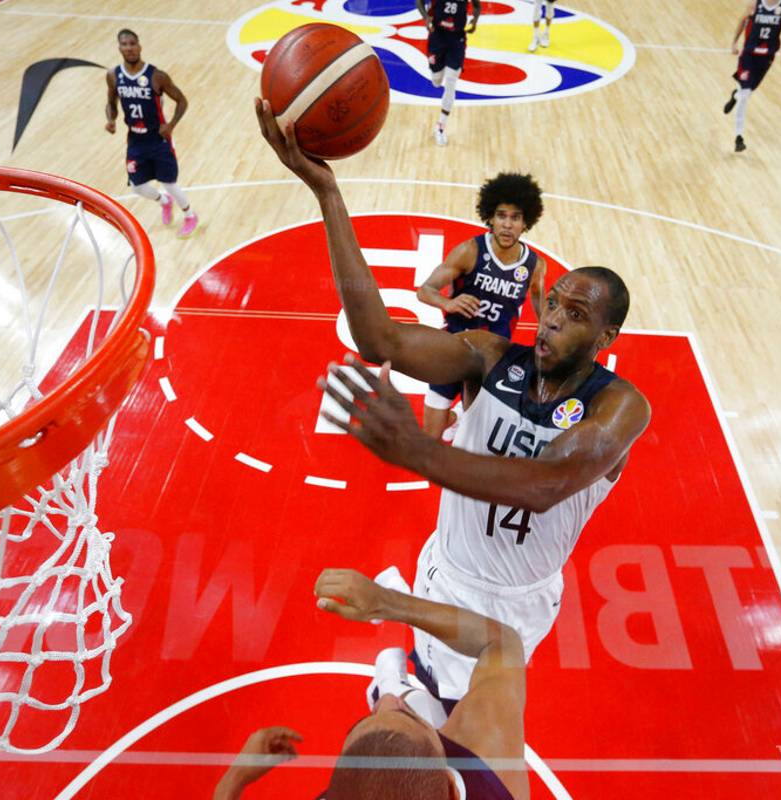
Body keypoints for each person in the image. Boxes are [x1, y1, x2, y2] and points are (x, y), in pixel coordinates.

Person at [256, 98, 651, 705]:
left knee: (451, 732)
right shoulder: (489, 357)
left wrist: (415, 449)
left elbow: (544, 485)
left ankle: (398, 681)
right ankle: (403, 677)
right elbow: (377, 338)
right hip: (446, 567)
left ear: (605, 339)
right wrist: (329, 196)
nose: (551, 322)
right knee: (427, 721)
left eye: (574, 316)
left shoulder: (620, 406)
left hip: (516, 604)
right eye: (552, 305)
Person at [213, 568, 528, 800]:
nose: (390, 703)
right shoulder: (491, 770)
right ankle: (398, 692)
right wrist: (388, 602)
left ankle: (393, 691)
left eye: (368, 718)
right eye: (402, 714)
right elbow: (502, 644)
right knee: (418, 700)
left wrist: (236, 777)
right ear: (449, 786)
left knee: (406, 701)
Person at [416, 172, 547, 439]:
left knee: (477, 440)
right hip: (453, 349)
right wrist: (448, 302)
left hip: (492, 359)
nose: (507, 225)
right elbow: (424, 291)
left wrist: (548, 332)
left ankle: (466, 418)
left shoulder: (534, 266)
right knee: (429, 436)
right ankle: (454, 418)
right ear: (490, 217)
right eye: (501, 216)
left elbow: (538, 298)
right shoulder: (470, 251)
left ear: (526, 223)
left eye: (515, 217)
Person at [105, 28, 200, 237]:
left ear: (139, 46)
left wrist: (172, 124)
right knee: (137, 187)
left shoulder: (156, 76)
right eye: (125, 44)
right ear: (119, 48)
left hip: (158, 139)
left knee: (169, 183)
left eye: (132, 43)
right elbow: (110, 103)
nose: (129, 48)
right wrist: (111, 119)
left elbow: (182, 100)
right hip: (135, 140)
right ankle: (163, 201)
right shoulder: (113, 76)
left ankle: (190, 215)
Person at [724, 0, 781, 153]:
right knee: (745, 95)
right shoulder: (754, 4)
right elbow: (742, 21)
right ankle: (739, 137)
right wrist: (734, 43)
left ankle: (734, 95)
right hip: (749, 54)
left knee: (747, 92)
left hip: (767, 56)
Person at [416, 0, 481, 146]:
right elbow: (419, 2)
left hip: (457, 39)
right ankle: (440, 70)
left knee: (451, 81)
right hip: (437, 36)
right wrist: (426, 17)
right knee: (436, 81)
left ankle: (440, 127)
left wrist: (475, 21)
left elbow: (477, 5)